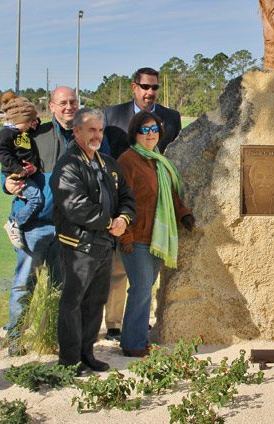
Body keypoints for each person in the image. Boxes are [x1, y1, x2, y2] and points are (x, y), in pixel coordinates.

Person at [51, 108, 135, 375]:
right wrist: (110, 223)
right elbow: (75, 206)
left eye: (100, 130)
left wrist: (124, 218)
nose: (97, 135)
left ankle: (88, 353)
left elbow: (127, 197)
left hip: (103, 246)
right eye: (91, 130)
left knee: (96, 302)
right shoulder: (67, 165)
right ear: (76, 131)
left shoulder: (108, 163)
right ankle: (69, 360)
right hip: (78, 246)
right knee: (73, 303)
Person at [101, 67, 182, 342]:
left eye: (154, 87)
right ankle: (114, 324)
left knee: (145, 280)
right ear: (134, 87)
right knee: (118, 272)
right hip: (121, 207)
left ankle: (138, 327)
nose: (150, 92)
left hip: (158, 209)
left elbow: (169, 160)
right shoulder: (112, 115)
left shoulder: (171, 118)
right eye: (145, 87)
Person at [1, 86, 78, 356]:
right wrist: (7, 184)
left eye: (73, 102)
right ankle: (15, 337)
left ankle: (52, 338)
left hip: (68, 225)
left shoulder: (83, 136)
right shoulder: (34, 135)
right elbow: (8, 168)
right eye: (63, 103)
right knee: (24, 283)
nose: (69, 107)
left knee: (61, 285)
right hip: (34, 225)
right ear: (52, 107)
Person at [117, 111, 195, 357]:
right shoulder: (128, 160)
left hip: (156, 237)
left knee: (146, 288)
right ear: (135, 133)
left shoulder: (159, 160)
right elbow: (121, 200)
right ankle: (133, 344)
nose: (150, 135)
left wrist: (183, 214)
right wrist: (125, 237)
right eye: (145, 130)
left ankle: (137, 339)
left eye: (154, 130)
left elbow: (169, 194)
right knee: (140, 289)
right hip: (137, 238)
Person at [0, 92, 43, 249]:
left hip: (25, 172)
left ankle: (17, 222)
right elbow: (2, 153)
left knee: (36, 198)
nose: (31, 124)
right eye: (29, 121)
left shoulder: (23, 131)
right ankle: (15, 223)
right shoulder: (6, 133)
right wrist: (18, 169)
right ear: (19, 120)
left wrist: (33, 167)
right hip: (14, 174)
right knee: (36, 198)